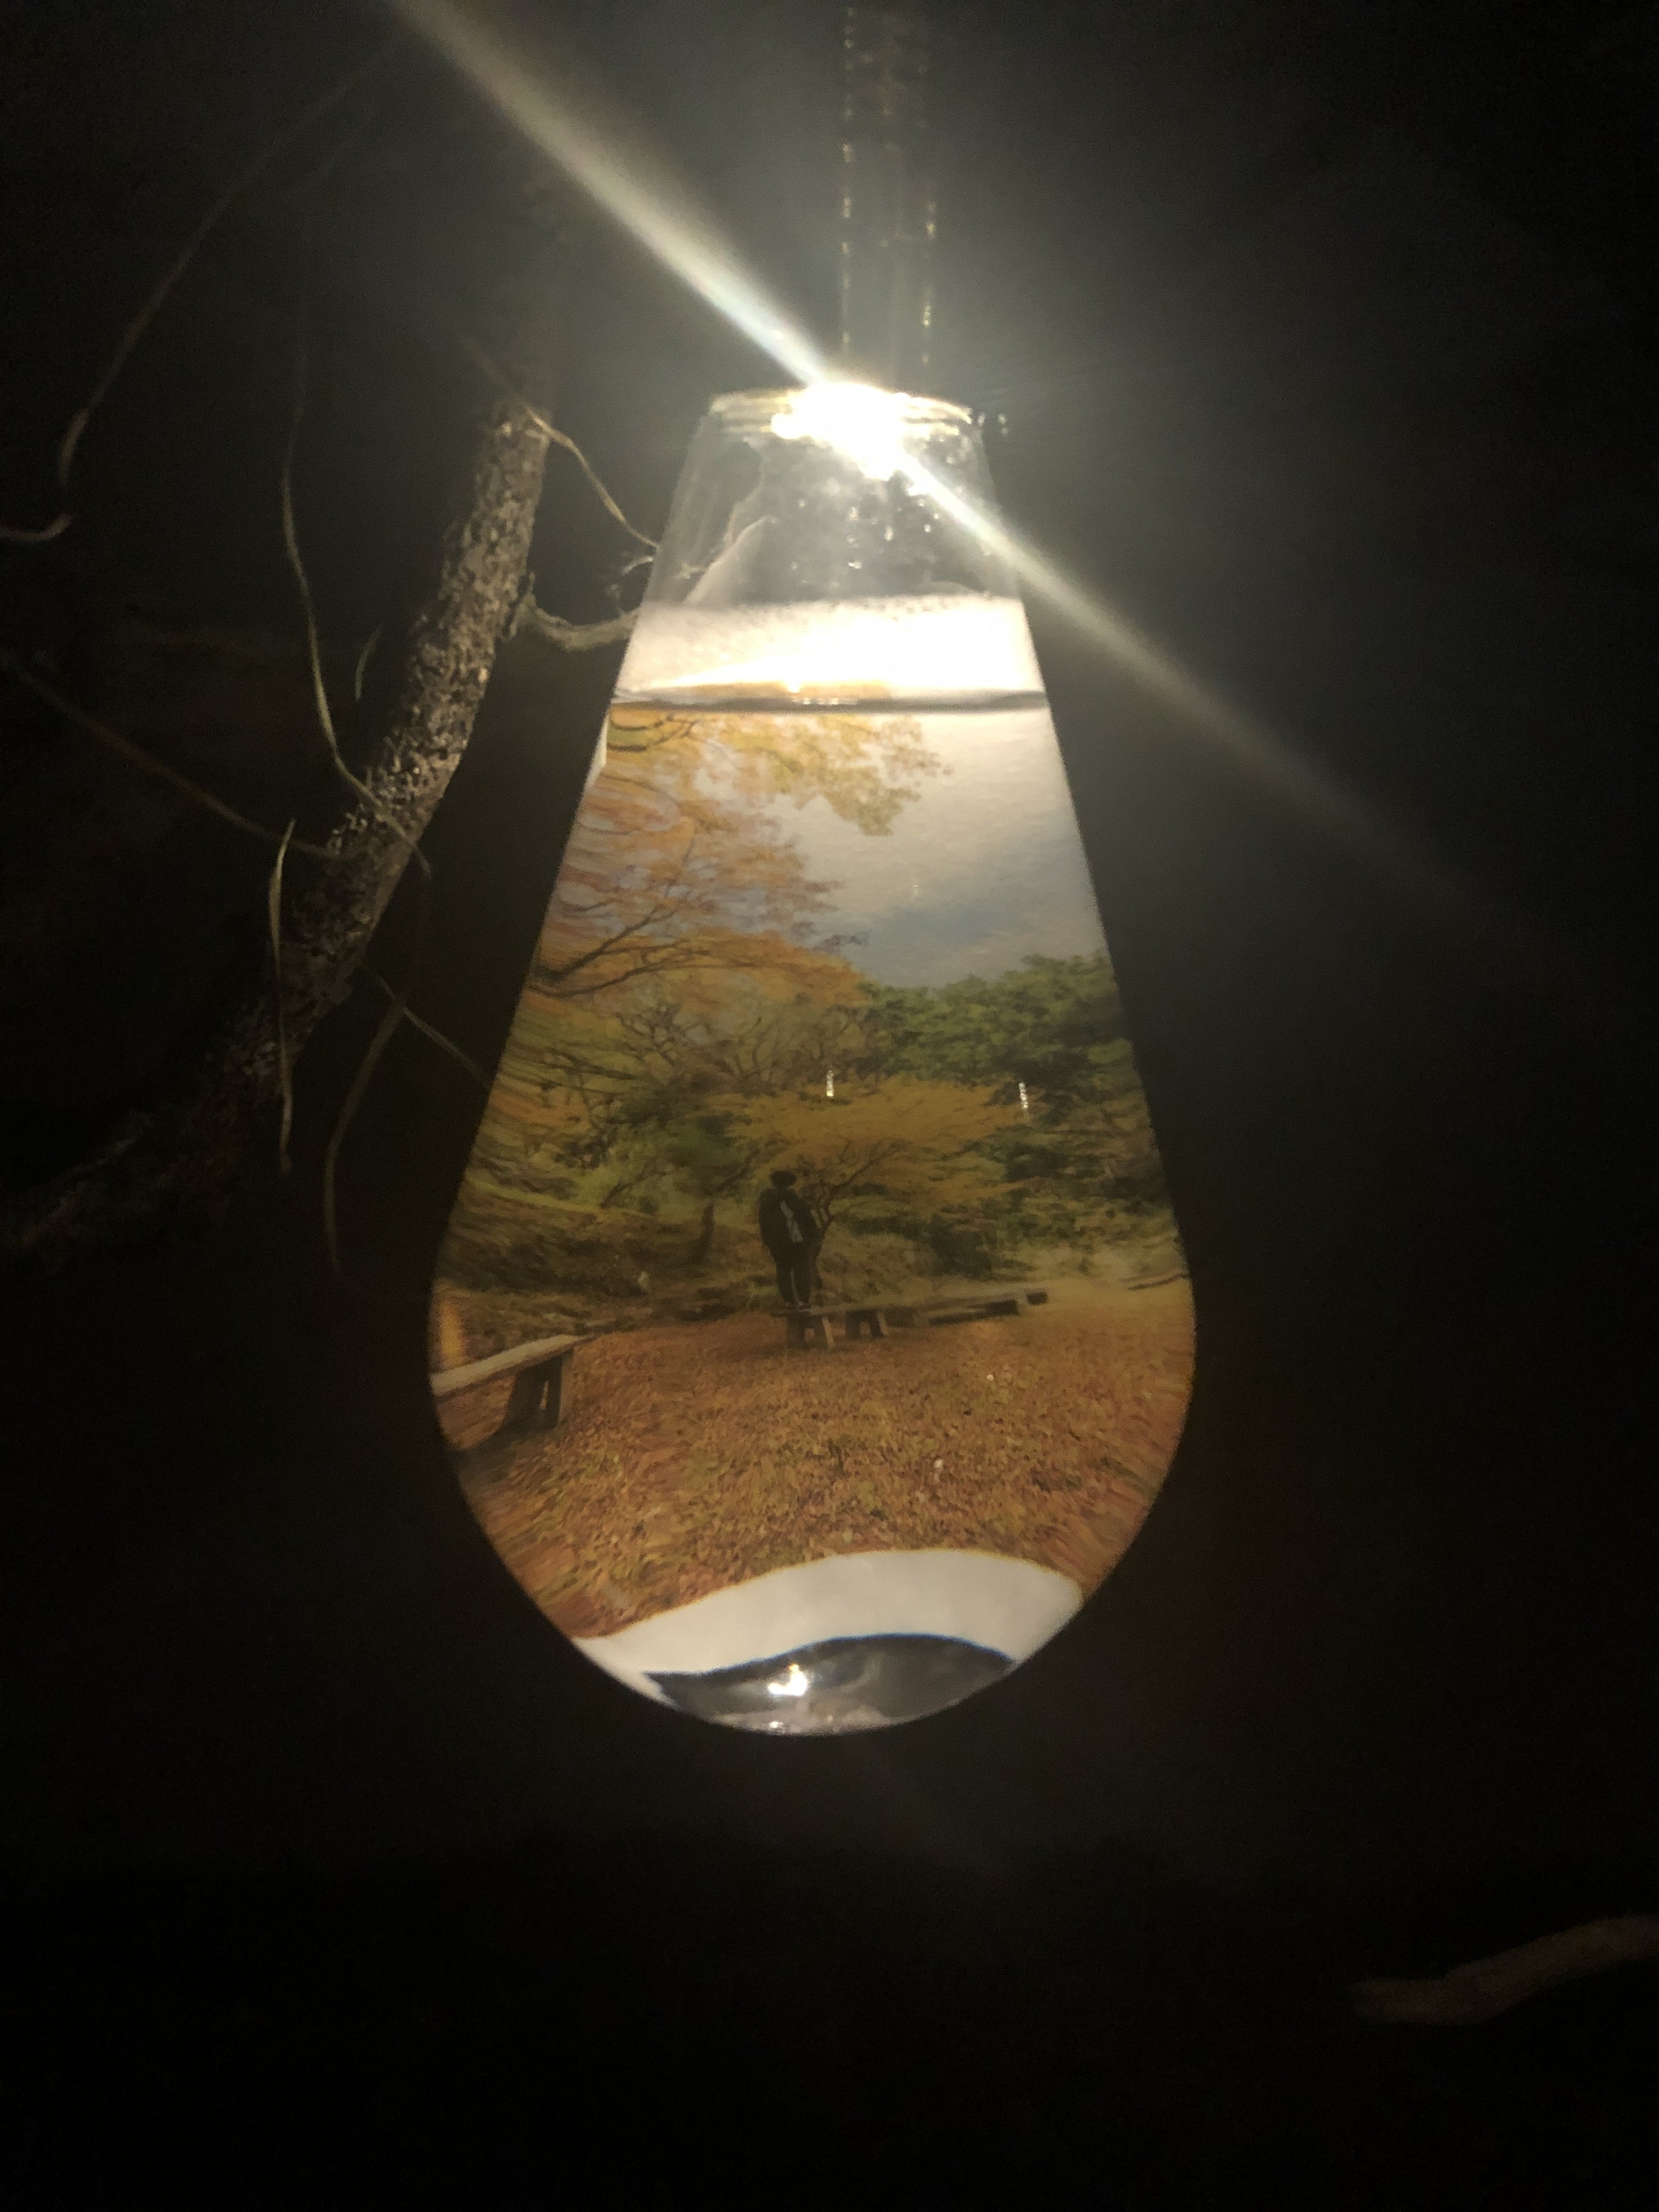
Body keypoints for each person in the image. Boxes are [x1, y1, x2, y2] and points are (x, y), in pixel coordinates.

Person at [758, 1169, 819, 1310]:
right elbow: (808, 1219)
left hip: (778, 1243)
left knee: (783, 1271)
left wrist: (768, 1242)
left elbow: (764, 1224)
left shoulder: (767, 1202)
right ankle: (803, 1300)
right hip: (798, 1240)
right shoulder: (795, 1199)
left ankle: (789, 1301)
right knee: (801, 1269)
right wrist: (813, 1237)